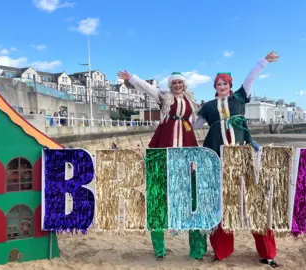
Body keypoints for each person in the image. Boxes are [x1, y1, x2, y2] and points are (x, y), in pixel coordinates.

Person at [193, 51, 280, 268]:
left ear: (230, 85)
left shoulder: (240, 98)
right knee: (219, 205)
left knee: (254, 203)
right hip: (216, 161)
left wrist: (262, 62)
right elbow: (192, 126)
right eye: (218, 83)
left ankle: (267, 253)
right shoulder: (208, 107)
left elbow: (250, 78)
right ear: (215, 86)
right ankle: (222, 251)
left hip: (242, 159)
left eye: (225, 83)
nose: (221, 85)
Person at [117, 70, 206, 260]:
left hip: (186, 147)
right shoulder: (164, 98)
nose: (177, 85)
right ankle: (159, 248)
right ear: (170, 85)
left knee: (191, 199)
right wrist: (132, 78)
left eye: (180, 82)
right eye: (174, 83)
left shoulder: (191, 100)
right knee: (158, 197)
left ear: (184, 84)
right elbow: (148, 88)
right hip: (163, 146)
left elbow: (198, 121)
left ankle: (197, 248)